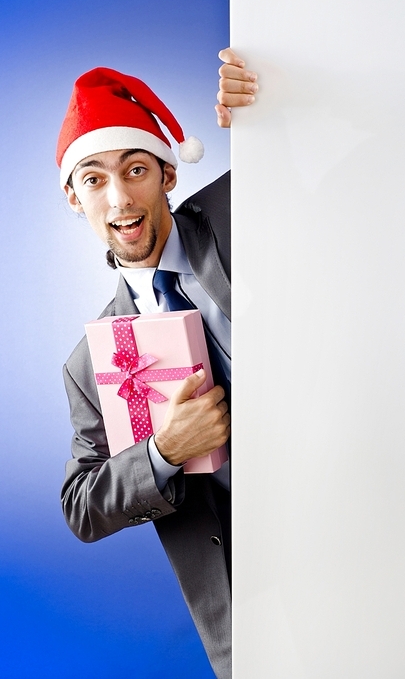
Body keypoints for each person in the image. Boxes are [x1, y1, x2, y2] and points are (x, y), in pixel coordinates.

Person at [58, 48, 258, 679]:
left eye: (136, 169)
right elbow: (82, 505)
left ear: (168, 174)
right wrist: (164, 452)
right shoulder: (93, 360)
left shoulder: (242, 212)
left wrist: (273, 119)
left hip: (370, 500)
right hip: (254, 587)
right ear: (74, 198)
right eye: (94, 178)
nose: (119, 197)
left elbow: (334, 164)